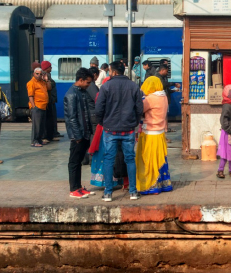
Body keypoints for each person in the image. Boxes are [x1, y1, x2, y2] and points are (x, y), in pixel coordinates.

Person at [95, 61, 144, 202]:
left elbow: (99, 109)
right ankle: (133, 192)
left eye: (110, 71)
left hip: (110, 129)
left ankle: (108, 193)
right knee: (130, 159)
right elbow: (139, 109)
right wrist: (134, 122)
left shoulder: (106, 86)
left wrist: (103, 122)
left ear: (114, 72)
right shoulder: (134, 86)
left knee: (109, 159)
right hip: (128, 129)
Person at [136, 76, 173, 195]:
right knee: (160, 159)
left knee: (148, 160)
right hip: (160, 133)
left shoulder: (150, 98)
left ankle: (151, 186)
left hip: (150, 133)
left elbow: (139, 109)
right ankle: (163, 184)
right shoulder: (164, 97)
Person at [64, 68, 94, 199]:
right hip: (78, 135)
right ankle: (73, 189)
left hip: (84, 133)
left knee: (79, 161)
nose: (89, 85)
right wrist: (77, 136)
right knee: (74, 162)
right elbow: (72, 118)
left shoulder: (82, 92)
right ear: (80, 80)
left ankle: (78, 187)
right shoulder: (71, 95)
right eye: (87, 82)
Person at [217, 85, 231, 179]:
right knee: (226, 152)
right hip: (228, 133)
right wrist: (230, 130)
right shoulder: (227, 105)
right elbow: (223, 121)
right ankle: (220, 170)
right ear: (230, 93)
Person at [27, 67, 48, 147]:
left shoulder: (42, 82)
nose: (39, 75)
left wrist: (46, 79)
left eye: (40, 74)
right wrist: (34, 106)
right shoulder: (31, 83)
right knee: (37, 125)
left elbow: (49, 88)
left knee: (41, 125)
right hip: (37, 106)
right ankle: (34, 141)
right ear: (33, 74)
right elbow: (30, 95)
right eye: (37, 73)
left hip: (43, 106)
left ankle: (39, 139)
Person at [41, 61, 61, 141]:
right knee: (49, 119)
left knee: (51, 119)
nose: (51, 68)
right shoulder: (44, 75)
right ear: (47, 68)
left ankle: (52, 134)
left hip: (51, 100)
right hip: (48, 100)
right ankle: (47, 136)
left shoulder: (48, 75)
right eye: (50, 67)